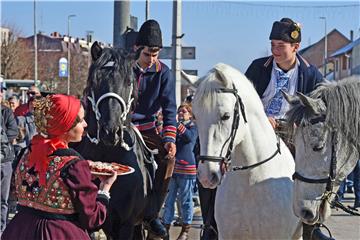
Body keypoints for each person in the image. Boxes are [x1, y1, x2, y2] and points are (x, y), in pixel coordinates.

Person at [245, 17, 326, 240]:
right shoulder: (257, 67)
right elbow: (243, 101)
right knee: (216, 161)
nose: (275, 50)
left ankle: (313, 227)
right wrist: (261, 117)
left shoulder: (310, 74)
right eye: (272, 45)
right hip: (258, 130)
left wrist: (303, 120)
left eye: (280, 46)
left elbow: (322, 106)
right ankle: (212, 225)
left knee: (315, 171)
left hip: (293, 132)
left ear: (295, 47)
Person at [2, 94, 117, 240]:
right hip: (59, 233)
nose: (86, 124)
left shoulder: (26, 152)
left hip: (19, 230)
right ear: (66, 125)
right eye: (81, 120)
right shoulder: (73, 165)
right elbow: (92, 218)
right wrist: (104, 189)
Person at [132, 19, 177, 238]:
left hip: (148, 130)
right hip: (122, 128)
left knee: (168, 159)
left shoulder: (164, 73)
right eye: (147, 54)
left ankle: (153, 214)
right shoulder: (123, 67)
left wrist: (170, 138)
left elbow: (170, 109)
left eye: (156, 55)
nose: (151, 60)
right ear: (136, 49)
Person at [162, 103, 198, 240]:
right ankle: (165, 227)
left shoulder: (193, 127)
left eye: (184, 111)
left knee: (186, 201)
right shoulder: (175, 128)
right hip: (172, 168)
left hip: (187, 169)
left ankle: (186, 229)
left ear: (190, 114)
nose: (181, 113)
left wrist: (176, 124)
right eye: (179, 111)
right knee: (169, 200)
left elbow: (189, 138)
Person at [0, 84, 18, 235]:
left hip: (4, 161)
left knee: (3, 200)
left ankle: (1, 230)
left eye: (0, 91)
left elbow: (13, 132)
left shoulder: (6, 112)